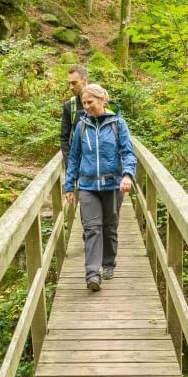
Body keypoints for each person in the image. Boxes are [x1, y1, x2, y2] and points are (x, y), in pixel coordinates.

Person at [63, 83, 136, 292]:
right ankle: (92, 274)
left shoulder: (117, 124)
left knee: (110, 226)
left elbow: (128, 152)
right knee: (92, 228)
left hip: (113, 184)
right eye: (84, 103)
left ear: (102, 100)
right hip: (87, 185)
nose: (86, 106)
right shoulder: (81, 126)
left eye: (90, 102)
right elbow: (74, 157)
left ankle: (108, 263)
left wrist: (128, 174)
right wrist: (69, 186)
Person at [60, 65, 88, 160]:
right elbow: (64, 138)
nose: (71, 87)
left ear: (84, 81)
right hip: (78, 164)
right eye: (69, 83)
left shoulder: (101, 102)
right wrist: (69, 165)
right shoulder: (69, 106)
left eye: (74, 83)